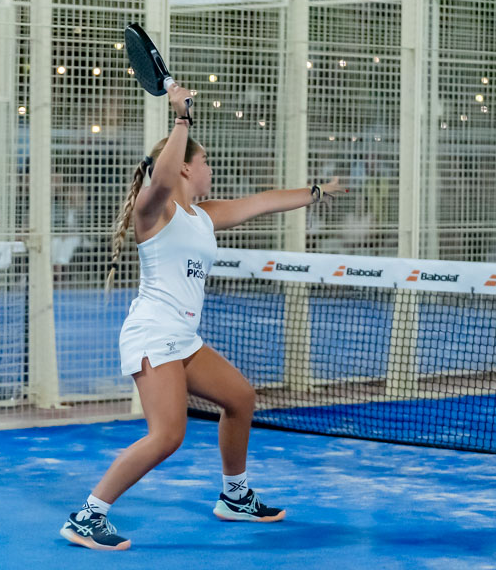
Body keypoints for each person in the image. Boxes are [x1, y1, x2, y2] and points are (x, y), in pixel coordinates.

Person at [59, 84, 346, 551]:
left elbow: (263, 201)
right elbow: (162, 178)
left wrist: (316, 192)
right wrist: (181, 119)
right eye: (205, 161)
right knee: (168, 435)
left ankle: (235, 497)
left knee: (240, 397)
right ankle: (88, 516)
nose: (211, 168)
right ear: (186, 167)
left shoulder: (203, 216)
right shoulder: (152, 210)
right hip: (153, 333)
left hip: (183, 337)